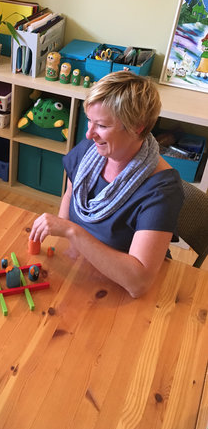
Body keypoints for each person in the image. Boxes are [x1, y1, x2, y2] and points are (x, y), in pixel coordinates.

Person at [30, 71, 184, 298]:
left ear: (137, 127)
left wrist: (73, 233)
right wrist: (64, 241)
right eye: (89, 121)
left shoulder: (162, 191)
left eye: (101, 125)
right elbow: (70, 196)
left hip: (118, 290)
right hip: (82, 273)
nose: (89, 133)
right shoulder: (89, 152)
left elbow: (139, 283)